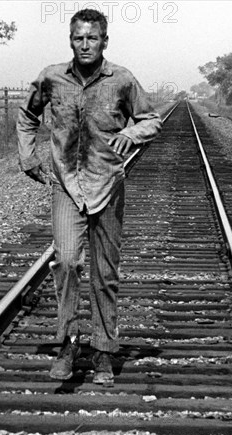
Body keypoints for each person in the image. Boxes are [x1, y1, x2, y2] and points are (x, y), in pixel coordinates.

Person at [17, 9, 162, 383]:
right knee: (66, 262)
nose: (85, 44)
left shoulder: (122, 80)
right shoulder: (51, 78)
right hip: (66, 185)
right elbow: (27, 115)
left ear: (104, 41)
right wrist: (27, 156)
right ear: (71, 40)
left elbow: (152, 119)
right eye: (79, 38)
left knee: (104, 273)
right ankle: (67, 343)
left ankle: (103, 353)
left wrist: (132, 134)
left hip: (108, 185)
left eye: (92, 38)